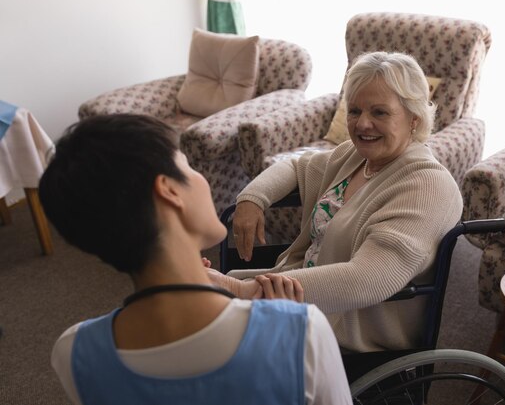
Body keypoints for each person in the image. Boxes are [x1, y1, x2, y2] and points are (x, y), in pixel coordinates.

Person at [39, 114, 351, 405]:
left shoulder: (73, 353)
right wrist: (286, 330)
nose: (200, 178)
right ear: (169, 190)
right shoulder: (302, 331)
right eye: (188, 166)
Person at [212, 51, 464, 354]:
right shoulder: (356, 157)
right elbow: (294, 167)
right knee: (200, 312)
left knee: (214, 338)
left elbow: (366, 279)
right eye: (355, 111)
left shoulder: (427, 186)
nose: (363, 124)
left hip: (344, 328)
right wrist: (252, 199)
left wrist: (247, 291)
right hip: (296, 296)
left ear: (414, 118)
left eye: (380, 113)